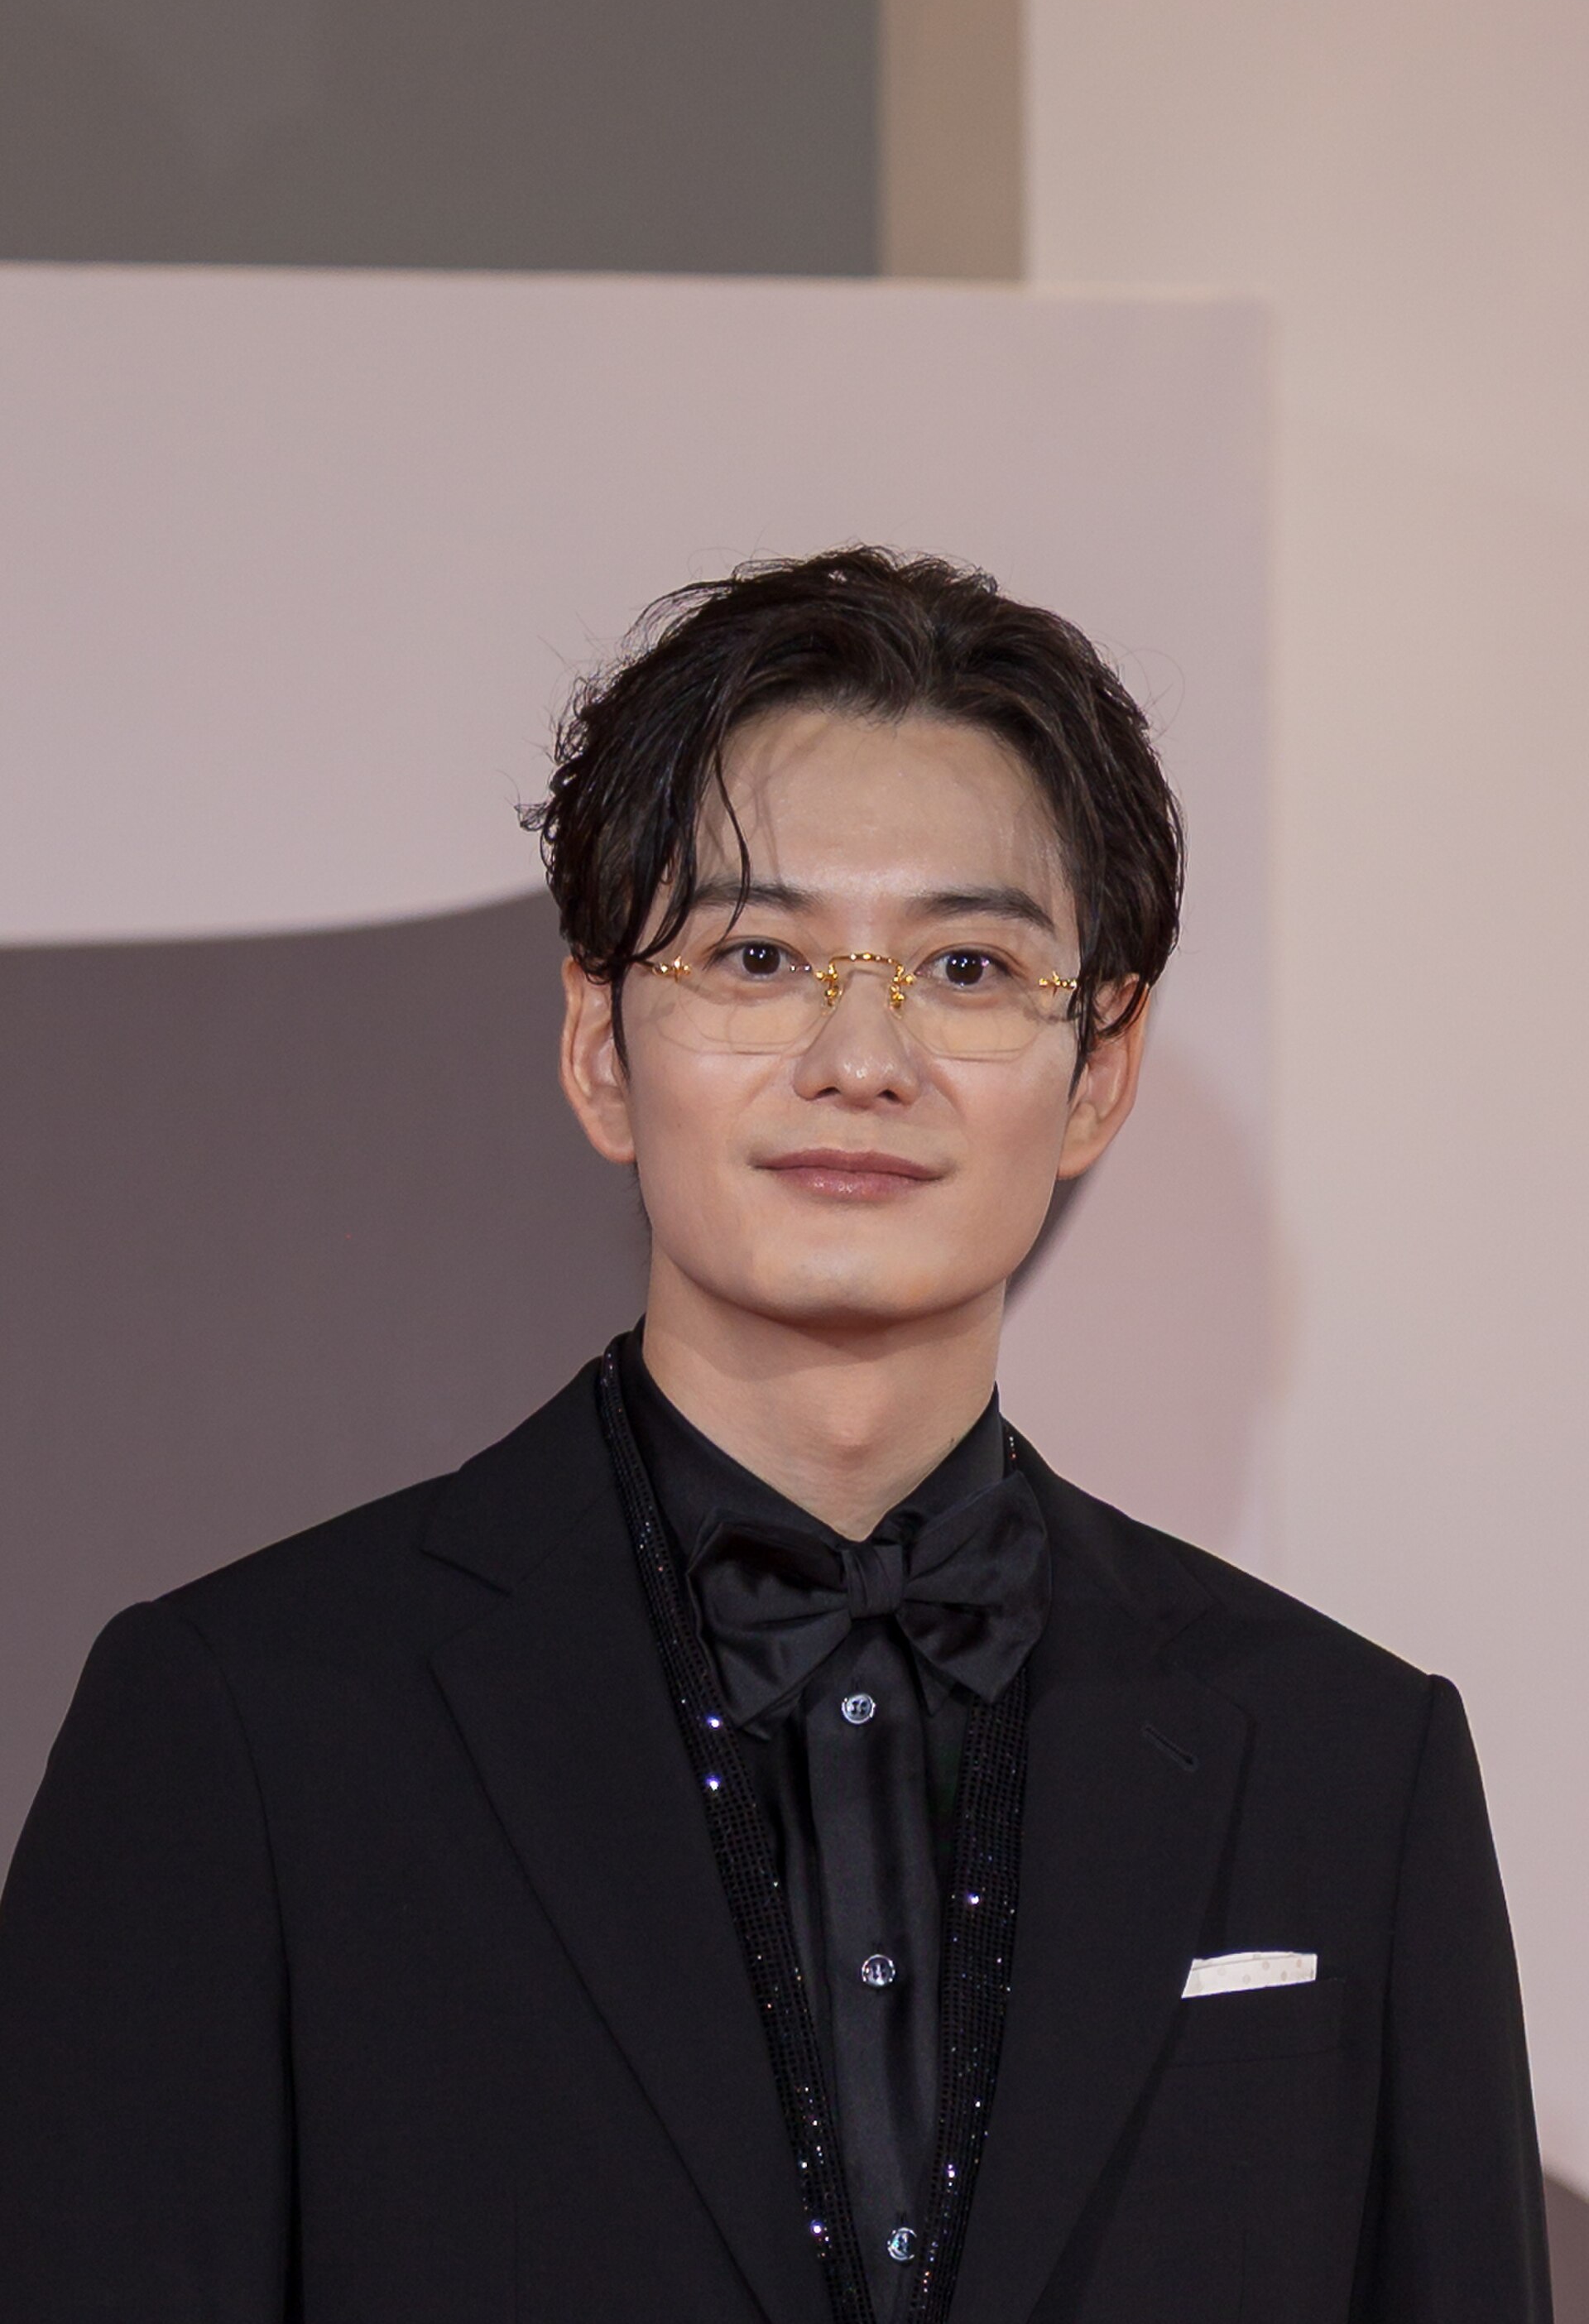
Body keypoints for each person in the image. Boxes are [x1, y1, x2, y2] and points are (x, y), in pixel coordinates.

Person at [0, 548, 1550, 2322]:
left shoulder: (1350, 1767)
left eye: (966, 963)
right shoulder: (250, 1731)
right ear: (601, 1047)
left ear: (1100, 1068)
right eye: (758, 954)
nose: (860, 1055)